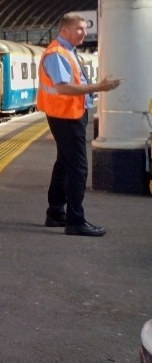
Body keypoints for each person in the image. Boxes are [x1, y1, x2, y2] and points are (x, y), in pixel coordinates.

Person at [37, 12, 122, 237]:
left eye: (85, 28)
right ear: (64, 30)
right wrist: (98, 88)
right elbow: (63, 87)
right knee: (78, 167)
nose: (84, 32)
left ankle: (55, 212)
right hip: (65, 116)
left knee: (65, 164)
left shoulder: (67, 52)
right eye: (79, 28)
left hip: (70, 114)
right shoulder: (57, 54)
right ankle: (75, 221)